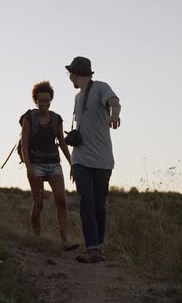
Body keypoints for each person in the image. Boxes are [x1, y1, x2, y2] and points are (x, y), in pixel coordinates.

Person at [65, 56, 121, 263]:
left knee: (99, 205)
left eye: (70, 73)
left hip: (103, 159)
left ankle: (99, 247)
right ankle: (92, 248)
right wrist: (73, 162)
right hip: (80, 158)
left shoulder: (100, 87)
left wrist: (114, 115)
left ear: (75, 74)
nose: (69, 77)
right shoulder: (77, 98)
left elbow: (114, 102)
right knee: (86, 201)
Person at [21, 81, 79, 252]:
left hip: (54, 164)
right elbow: (24, 145)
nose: (44, 104)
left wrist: (72, 164)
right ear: (35, 101)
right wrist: (28, 167)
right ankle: (37, 238)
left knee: (61, 200)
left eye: (47, 100)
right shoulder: (29, 118)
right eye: (40, 101)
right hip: (36, 164)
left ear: (51, 100)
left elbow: (62, 143)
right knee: (38, 202)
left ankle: (64, 240)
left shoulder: (56, 119)